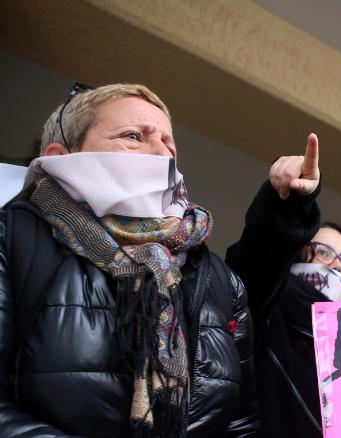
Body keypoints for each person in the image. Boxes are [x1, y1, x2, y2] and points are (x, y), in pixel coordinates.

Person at [0, 83, 259, 436]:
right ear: (61, 156)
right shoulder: (12, 237)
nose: (161, 154)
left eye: (169, 144)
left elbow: (242, 421)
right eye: (134, 136)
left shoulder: (217, 276)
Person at [225, 137, 341, 437]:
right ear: (297, 251)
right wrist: (290, 207)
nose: (336, 266)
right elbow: (260, 260)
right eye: (324, 252)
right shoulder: (264, 313)